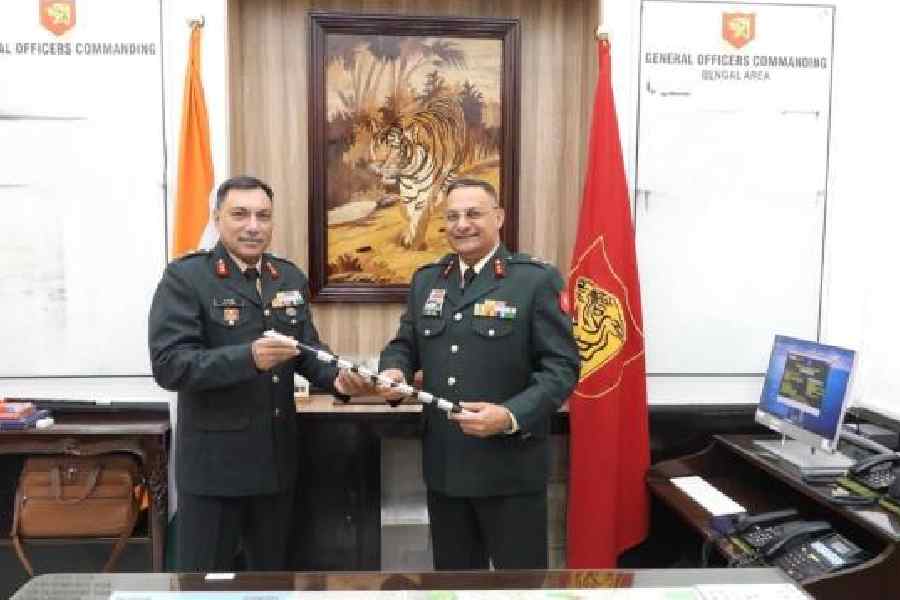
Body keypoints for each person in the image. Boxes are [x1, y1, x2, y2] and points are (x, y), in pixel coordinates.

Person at [148, 175, 371, 571]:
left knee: (272, 583)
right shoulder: (187, 278)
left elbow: (307, 350)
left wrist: (339, 379)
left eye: (263, 216)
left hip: (276, 467)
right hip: (214, 471)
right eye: (240, 214)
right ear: (217, 219)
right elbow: (171, 365)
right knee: (205, 587)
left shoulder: (286, 277)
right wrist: (247, 358)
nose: (253, 226)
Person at [377, 178, 580, 569]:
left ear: (498, 218)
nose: (462, 224)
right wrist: (394, 370)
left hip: (511, 470)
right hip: (446, 468)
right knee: (454, 586)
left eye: (473, 214)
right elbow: (404, 344)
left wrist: (509, 415)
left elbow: (562, 368)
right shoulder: (427, 280)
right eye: (452, 216)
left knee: (519, 589)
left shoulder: (534, 280)